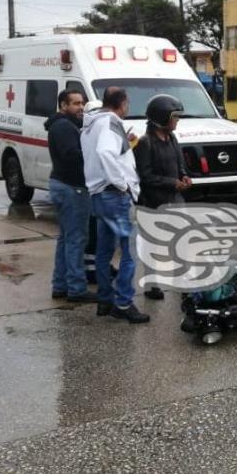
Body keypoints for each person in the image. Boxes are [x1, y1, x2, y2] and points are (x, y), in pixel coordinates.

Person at [81, 87, 149, 323]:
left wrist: (125, 145)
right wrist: (123, 185)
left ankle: (105, 300)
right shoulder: (110, 122)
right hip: (114, 195)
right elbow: (105, 153)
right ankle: (123, 302)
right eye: (127, 104)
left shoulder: (92, 123)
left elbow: (104, 152)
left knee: (104, 250)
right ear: (123, 103)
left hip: (99, 194)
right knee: (129, 252)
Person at [133, 94, 192, 300]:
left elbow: (179, 163)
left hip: (175, 200)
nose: (177, 120)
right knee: (154, 245)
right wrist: (171, 182)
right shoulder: (145, 143)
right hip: (154, 202)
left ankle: (182, 278)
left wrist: (184, 176)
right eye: (174, 116)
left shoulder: (172, 138)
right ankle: (152, 285)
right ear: (161, 117)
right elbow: (145, 176)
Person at [45, 89, 98, 303]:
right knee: (76, 239)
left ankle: (60, 285)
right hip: (71, 188)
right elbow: (72, 156)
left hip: (62, 185)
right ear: (63, 106)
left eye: (82, 103)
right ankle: (76, 288)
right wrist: (94, 152)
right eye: (75, 103)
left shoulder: (62, 125)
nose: (80, 107)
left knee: (66, 239)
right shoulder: (65, 127)